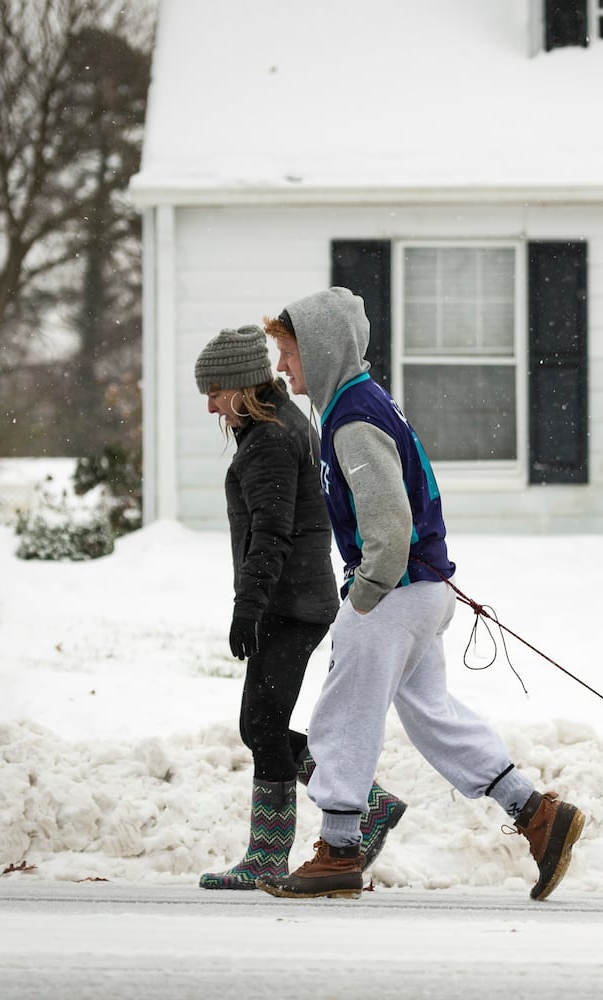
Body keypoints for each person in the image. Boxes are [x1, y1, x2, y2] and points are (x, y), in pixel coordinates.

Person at [254, 288, 585, 901]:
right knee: (433, 717)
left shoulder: (352, 422)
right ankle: (537, 814)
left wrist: (364, 596)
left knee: (342, 716)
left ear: (321, 351)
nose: (281, 368)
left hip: (393, 592)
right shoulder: (364, 404)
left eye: (289, 353)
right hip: (420, 589)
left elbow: (389, 525)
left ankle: (339, 849)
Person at [193, 325, 407, 890]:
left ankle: (269, 856)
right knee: (260, 723)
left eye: (214, 391)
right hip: (298, 597)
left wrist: (249, 606)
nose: (210, 404)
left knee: (261, 725)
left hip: (289, 602)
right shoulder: (280, 426)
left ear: (240, 387)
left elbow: (272, 530)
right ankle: (370, 803)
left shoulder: (270, 439)